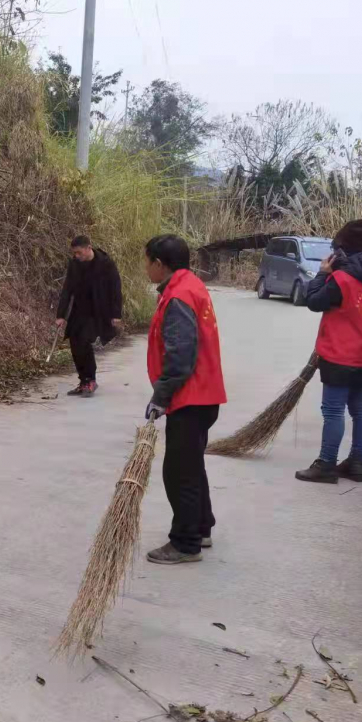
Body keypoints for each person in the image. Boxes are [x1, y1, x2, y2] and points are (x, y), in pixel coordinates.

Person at [143, 234, 227, 565]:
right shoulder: (190, 284)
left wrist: (161, 396)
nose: (146, 268)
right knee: (191, 466)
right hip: (202, 394)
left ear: (159, 264)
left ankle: (185, 542)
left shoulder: (179, 295)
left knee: (179, 472)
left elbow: (180, 356)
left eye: (147, 261)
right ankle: (201, 527)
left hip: (191, 396)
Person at [296, 219, 362, 484]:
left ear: (341, 250)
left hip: (340, 356)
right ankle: (356, 464)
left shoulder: (341, 278)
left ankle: (326, 465)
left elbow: (313, 301)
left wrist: (323, 273)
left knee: (334, 411)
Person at [55, 235, 123, 396]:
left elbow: (116, 290)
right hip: (80, 309)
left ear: (88, 248)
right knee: (75, 342)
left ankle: (90, 379)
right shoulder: (74, 264)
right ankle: (83, 380)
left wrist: (116, 314)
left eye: (79, 253)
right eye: (75, 253)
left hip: (99, 310)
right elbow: (67, 290)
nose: (76, 256)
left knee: (85, 340)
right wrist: (61, 315)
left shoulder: (106, 264)